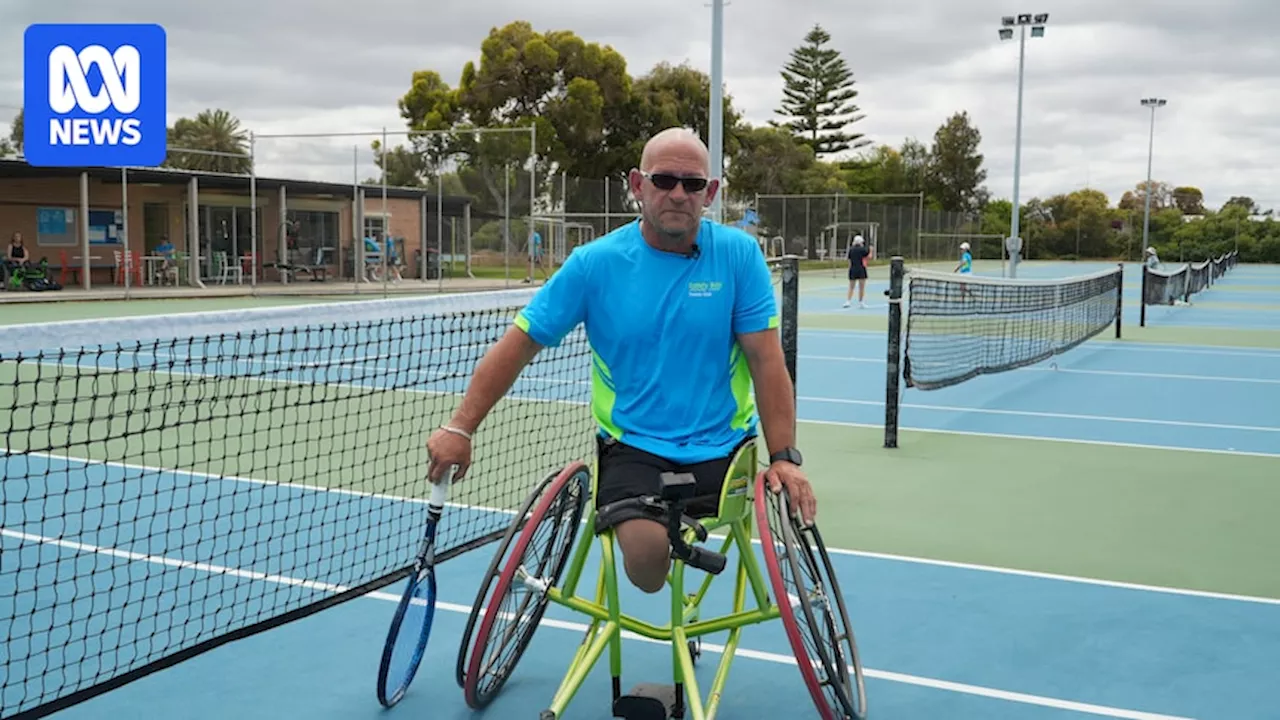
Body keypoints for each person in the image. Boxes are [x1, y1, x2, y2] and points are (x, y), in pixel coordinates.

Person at [425, 127, 815, 595]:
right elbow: (519, 344)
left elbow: (767, 362)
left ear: (710, 193)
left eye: (692, 184)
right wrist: (460, 427)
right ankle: (668, 567)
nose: (678, 194)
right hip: (634, 451)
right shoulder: (593, 264)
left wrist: (785, 458)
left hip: (724, 451)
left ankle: (678, 594)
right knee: (648, 564)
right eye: (664, 180)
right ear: (636, 185)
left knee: (687, 534)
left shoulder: (739, 256)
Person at [842, 234, 872, 308]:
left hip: (853, 269)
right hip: (861, 269)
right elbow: (869, 257)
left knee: (851, 287)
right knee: (861, 287)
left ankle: (848, 301)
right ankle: (861, 302)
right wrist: (871, 250)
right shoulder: (863, 250)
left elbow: (849, 261)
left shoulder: (851, 250)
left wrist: (850, 268)